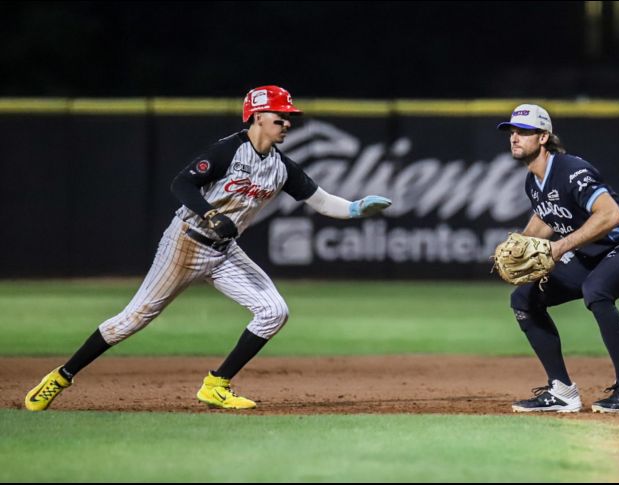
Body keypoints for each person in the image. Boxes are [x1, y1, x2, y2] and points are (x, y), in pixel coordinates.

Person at [24, 85, 392, 411]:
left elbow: (324, 202)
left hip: (224, 252)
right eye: (281, 115)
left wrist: (357, 208)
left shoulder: (282, 168)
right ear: (258, 115)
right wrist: (212, 214)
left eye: (289, 116)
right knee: (132, 321)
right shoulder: (228, 151)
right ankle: (62, 375)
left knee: (274, 311)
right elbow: (182, 184)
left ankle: (216, 385)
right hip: (186, 243)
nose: (288, 122)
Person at [497, 104, 619, 413]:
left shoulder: (571, 170)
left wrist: (559, 249)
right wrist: (519, 245)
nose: (515, 138)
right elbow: (546, 217)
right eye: (512, 132)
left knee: (596, 290)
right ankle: (561, 390)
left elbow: (610, 216)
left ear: (543, 137)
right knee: (523, 299)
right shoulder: (534, 182)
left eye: (524, 132)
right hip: (593, 254)